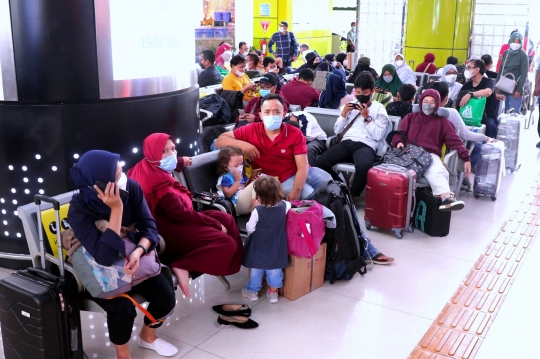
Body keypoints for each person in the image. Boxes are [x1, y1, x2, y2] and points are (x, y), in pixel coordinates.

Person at [68, 150, 178, 359]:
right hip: (103, 271)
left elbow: (150, 228)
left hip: (134, 259)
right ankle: (123, 353)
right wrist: (116, 210)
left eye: (122, 172)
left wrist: (139, 251)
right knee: (122, 308)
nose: (124, 179)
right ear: (98, 185)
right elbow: (105, 257)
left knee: (166, 295)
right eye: (117, 177)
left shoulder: (132, 189)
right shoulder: (78, 209)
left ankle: (147, 336)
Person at [127, 133, 243, 297]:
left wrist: (180, 161)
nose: (172, 154)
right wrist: (213, 224)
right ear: (152, 153)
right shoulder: (158, 185)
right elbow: (182, 215)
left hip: (177, 217)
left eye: (173, 149)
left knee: (226, 218)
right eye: (164, 151)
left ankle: (235, 260)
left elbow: (168, 163)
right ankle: (181, 264)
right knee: (226, 243)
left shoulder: (146, 165)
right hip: (168, 230)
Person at [215, 94, 333, 200]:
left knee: (328, 184)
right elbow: (220, 140)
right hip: (276, 179)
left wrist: (296, 190)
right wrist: (243, 145)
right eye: (267, 112)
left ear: (284, 114)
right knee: (309, 194)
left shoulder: (294, 133)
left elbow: (302, 166)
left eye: (277, 111)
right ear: (260, 115)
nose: (272, 115)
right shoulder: (251, 130)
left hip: (298, 170)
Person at [393, 89, 471, 211]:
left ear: (438, 104)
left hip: (428, 155)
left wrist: (466, 158)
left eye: (432, 102)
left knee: (438, 171)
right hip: (409, 152)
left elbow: (455, 141)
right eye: (425, 101)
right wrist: (398, 143)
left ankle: (447, 198)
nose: (427, 105)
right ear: (420, 102)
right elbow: (398, 134)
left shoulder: (443, 122)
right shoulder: (410, 117)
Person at [316, 72, 389, 197]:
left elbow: (378, 136)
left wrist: (367, 118)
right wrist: (343, 115)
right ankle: (341, 187)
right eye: (358, 92)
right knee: (320, 163)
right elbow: (337, 131)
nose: (360, 96)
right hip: (347, 142)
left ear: (372, 92)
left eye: (364, 93)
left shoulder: (379, 108)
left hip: (366, 144)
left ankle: (353, 195)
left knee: (364, 166)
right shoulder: (348, 106)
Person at [242, 176, 290, 304]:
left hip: (259, 247)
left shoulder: (257, 211)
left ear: (259, 196)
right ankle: (273, 293)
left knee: (256, 271)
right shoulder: (285, 206)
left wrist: (254, 207)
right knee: (275, 270)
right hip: (277, 246)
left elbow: (250, 228)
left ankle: (252, 292)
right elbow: (290, 207)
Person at [457, 59, 499, 137]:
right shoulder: (467, 85)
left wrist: (471, 94)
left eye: (469, 67)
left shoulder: (488, 82)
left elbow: (488, 92)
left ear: (477, 69)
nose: (467, 70)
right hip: (468, 116)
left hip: (486, 115)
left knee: (491, 126)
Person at [216, 146, 258, 215]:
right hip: (236, 205)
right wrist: (237, 181)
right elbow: (228, 194)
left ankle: (260, 207)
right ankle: (256, 212)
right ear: (226, 167)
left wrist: (252, 180)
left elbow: (246, 187)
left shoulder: (241, 174)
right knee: (256, 184)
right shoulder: (225, 177)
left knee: (261, 182)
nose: (240, 167)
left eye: (241, 164)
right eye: (236, 166)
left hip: (247, 204)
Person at [496, 31, 529, 114]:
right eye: (514, 41)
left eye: (518, 42)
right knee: (499, 114)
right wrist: (496, 85)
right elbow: (501, 70)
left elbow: (524, 74)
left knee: (512, 114)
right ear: (510, 41)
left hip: (515, 89)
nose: (515, 43)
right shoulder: (506, 53)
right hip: (503, 86)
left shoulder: (523, 55)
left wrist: (519, 90)